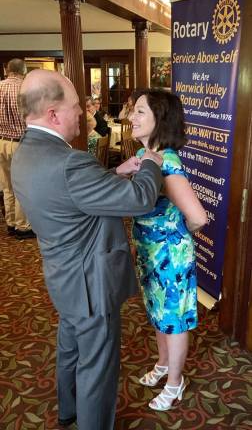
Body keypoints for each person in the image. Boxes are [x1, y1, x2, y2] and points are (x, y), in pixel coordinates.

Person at [11, 69, 163, 430]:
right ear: (53, 114)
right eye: (76, 106)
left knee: (71, 348)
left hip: (63, 276)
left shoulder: (25, 152)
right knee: (97, 365)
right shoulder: (69, 162)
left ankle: (68, 412)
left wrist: (118, 172)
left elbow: (74, 198)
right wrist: (150, 166)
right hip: (90, 282)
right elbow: (140, 199)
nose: (83, 112)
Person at [130, 89, 207, 412]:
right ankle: (163, 364)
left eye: (139, 112)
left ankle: (175, 383)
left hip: (169, 258)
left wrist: (173, 238)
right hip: (150, 254)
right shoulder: (145, 153)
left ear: (159, 119)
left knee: (172, 321)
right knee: (159, 315)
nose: (130, 117)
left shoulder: (167, 163)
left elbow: (198, 218)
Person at [0, 58, 35, 239]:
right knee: (23, 185)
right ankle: (23, 226)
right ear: (23, 71)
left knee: (7, 186)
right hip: (21, 142)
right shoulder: (26, 89)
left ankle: (11, 222)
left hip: (1, 142)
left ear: (7, 70)